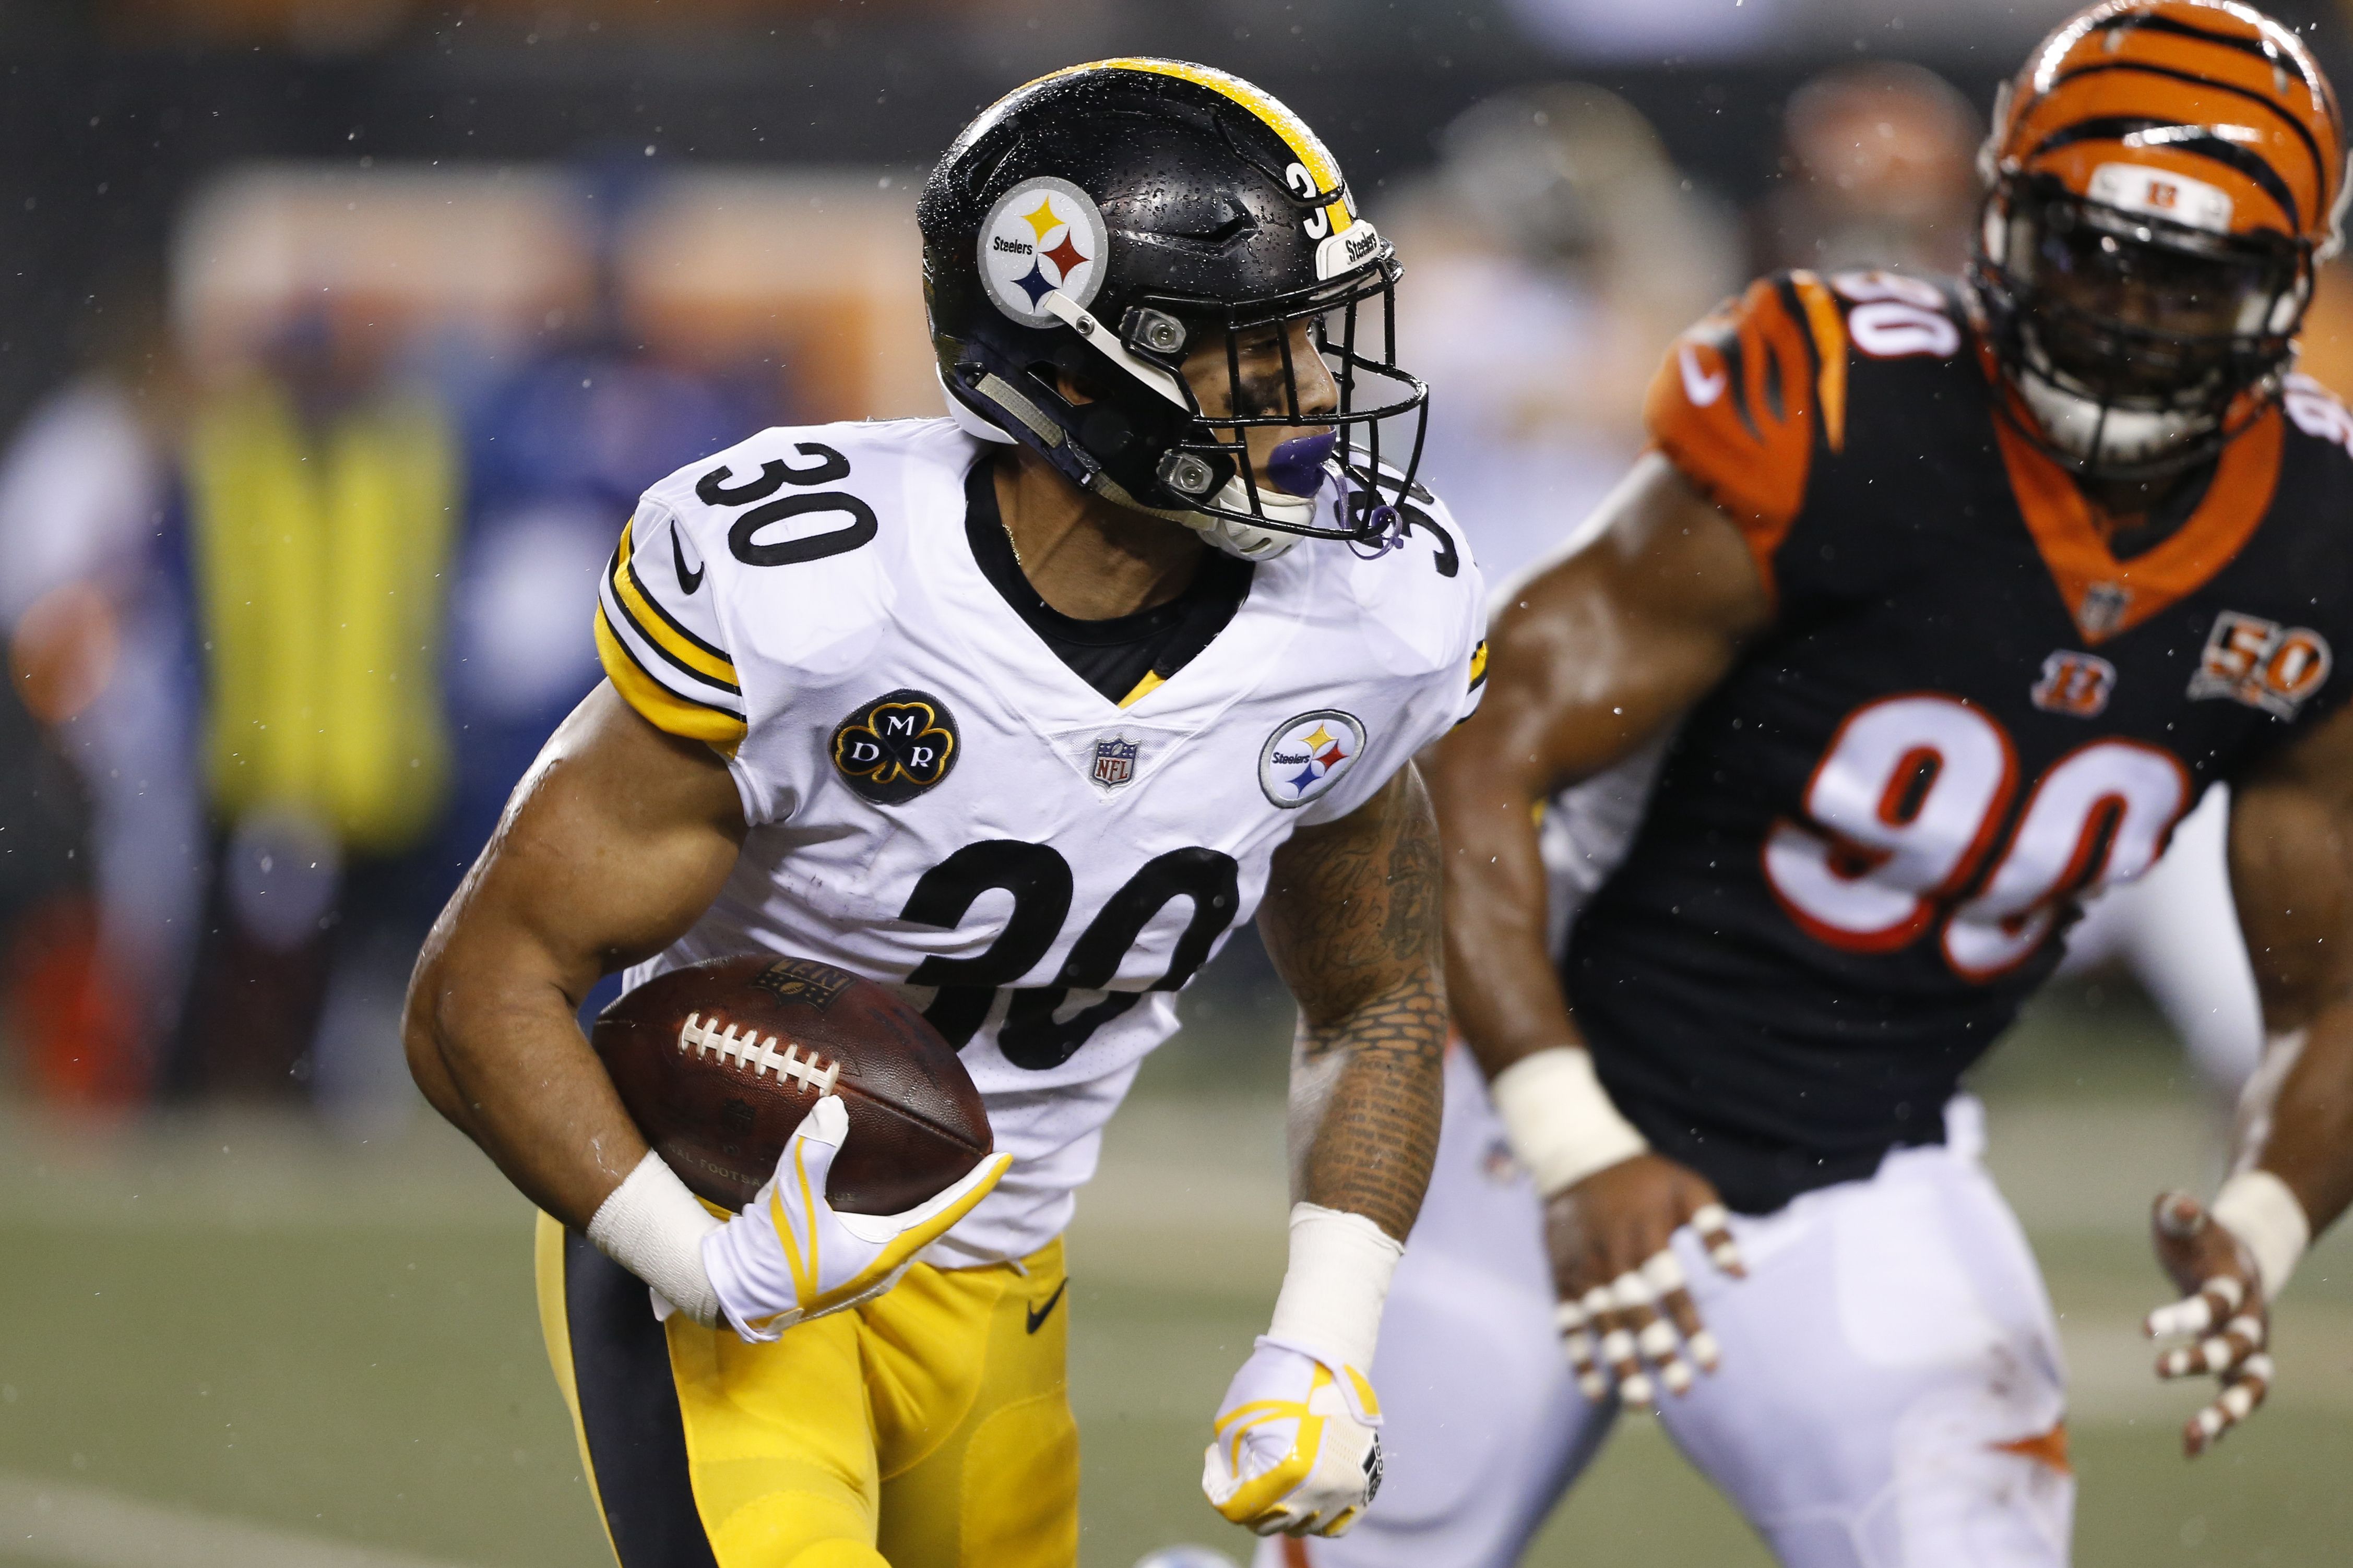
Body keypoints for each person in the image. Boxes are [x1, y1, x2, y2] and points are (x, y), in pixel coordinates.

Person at [1279, 5, 2353, 1565]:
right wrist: (1579, 1144)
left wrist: (2259, 1226)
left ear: (2280, 291)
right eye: (2089, 255)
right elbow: (1473, 762)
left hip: (1871, 1167)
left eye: (2186, 282)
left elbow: (2328, 996)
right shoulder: (1845, 410)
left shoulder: (2311, 545)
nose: (2126, 318)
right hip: (1530, 1112)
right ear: (2003, 225)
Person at [403, 58, 1487, 1568]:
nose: (1315, 394)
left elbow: (1375, 992)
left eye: (1315, 339)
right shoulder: (820, 592)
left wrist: (1322, 1339)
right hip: (721, 1227)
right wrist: (699, 1260)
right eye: (1255, 351)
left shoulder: (1363, 619)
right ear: (1077, 362)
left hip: (1002, 1286)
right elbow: (478, 990)